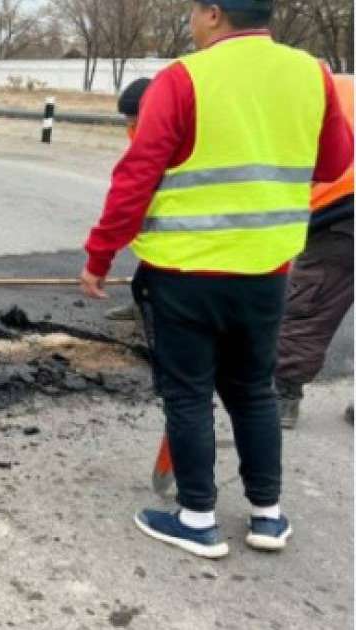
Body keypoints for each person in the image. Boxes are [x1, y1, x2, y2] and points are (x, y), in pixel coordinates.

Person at [79, 0, 351, 559]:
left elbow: (137, 176)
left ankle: (198, 518)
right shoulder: (310, 72)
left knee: (188, 394)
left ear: (212, 14)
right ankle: (267, 516)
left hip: (187, 271)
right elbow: (333, 162)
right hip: (267, 269)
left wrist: (100, 254)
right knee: (254, 391)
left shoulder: (184, 78)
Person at [275, 73, 354, 429]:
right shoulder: (338, 86)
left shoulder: (302, 94)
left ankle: (284, 395)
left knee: (311, 304)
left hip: (341, 213)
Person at [103, 77, 151, 322]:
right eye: (127, 121)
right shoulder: (138, 131)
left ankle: (149, 311)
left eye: (134, 119)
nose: (130, 126)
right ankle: (140, 305)